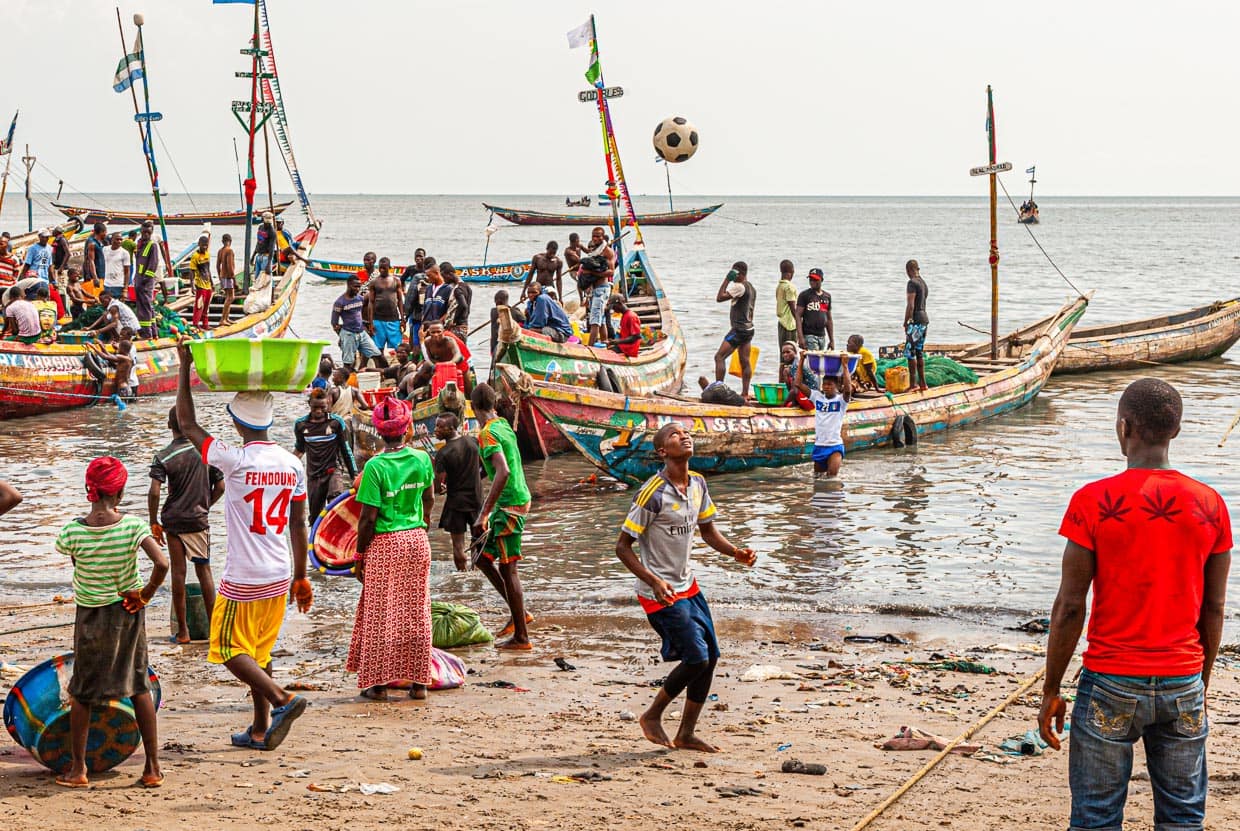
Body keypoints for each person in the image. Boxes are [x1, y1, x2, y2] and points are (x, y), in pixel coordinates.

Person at [1038, 378, 1231, 831]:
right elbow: (1214, 610)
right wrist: (1199, 682)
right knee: (1183, 818)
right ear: (1175, 431)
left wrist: (1051, 688)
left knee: (1096, 818)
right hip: (1182, 678)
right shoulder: (1211, 505)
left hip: (1111, 680)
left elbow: (1069, 606)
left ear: (1124, 426)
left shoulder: (1092, 501)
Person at [174, 344, 313, 751]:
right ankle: (259, 728)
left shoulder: (234, 459)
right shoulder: (292, 463)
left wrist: (185, 366)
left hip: (244, 577)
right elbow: (299, 522)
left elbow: (186, 422)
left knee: (227, 650)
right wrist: (302, 576)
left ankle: (282, 699)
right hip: (280, 571)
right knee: (258, 650)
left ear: (236, 424)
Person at [615, 422, 755, 752]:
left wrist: (735, 551)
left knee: (711, 655)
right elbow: (622, 546)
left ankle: (686, 733)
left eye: (686, 432)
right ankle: (652, 715)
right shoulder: (652, 493)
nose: (684, 436)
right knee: (696, 657)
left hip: (688, 586)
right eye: (675, 435)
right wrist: (653, 579)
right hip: (658, 592)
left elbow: (707, 531)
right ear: (662, 452)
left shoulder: (697, 485)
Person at [54, 456, 168, 788]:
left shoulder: (72, 531)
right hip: (127, 612)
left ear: (88, 491)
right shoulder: (132, 526)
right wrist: (145, 594)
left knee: (83, 692)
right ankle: (152, 768)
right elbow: (161, 564)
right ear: (119, 494)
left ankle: (78, 770)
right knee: (137, 684)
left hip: (90, 616)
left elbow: (77, 563)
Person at [348, 397, 435, 701]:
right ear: (407, 427)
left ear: (378, 431)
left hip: (386, 544)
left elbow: (367, 519)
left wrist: (358, 556)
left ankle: (379, 684)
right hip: (417, 539)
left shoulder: (375, 467)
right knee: (416, 611)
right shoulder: (422, 459)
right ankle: (420, 683)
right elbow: (429, 499)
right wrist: (421, 524)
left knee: (380, 613)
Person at [149, 407, 225, 644]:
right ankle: (214, 631)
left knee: (179, 574)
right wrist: (205, 506)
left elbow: (154, 491)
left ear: (169, 426)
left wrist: (153, 521)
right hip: (198, 521)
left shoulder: (163, 456)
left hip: (172, 521)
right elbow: (221, 486)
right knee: (204, 571)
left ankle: (183, 632)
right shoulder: (205, 453)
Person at [471, 383, 533, 650]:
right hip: (517, 499)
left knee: (508, 569)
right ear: (493, 405)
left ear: (473, 408)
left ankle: (522, 637)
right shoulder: (503, 425)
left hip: (509, 505)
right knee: (482, 558)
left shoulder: (487, 434)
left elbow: (503, 471)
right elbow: (499, 466)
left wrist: (483, 513)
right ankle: (519, 614)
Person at [294, 388, 359, 524]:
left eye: (322, 408)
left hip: (333, 470)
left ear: (328, 404)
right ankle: (315, 543)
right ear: (309, 404)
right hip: (314, 475)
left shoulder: (336, 423)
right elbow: (299, 450)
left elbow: (346, 450)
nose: (318, 411)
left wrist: (355, 476)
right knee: (316, 517)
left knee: (336, 507)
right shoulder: (301, 425)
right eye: (315, 408)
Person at [434, 412, 483, 571]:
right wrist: (475, 479)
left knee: (458, 545)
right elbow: (486, 468)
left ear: (451, 428)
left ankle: (462, 575)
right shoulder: (473, 442)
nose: (436, 430)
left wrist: (442, 486)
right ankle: (476, 574)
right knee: (478, 542)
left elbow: (437, 486)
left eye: (440, 427)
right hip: (477, 500)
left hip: (456, 504)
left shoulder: (443, 453)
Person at [797, 352, 852, 478]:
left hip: (834, 446)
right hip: (819, 446)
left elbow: (848, 389)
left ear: (837, 386)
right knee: (818, 479)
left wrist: (845, 366)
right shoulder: (817, 397)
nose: (826, 387)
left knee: (831, 477)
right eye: (824, 384)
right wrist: (801, 360)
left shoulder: (841, 401)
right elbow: (798, 384)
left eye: (829, 385)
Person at [713, 261, 755, 399]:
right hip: (749, 329)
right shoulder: (751, 288)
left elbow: (719, 298)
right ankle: (745, 393)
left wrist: (727, 279)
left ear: (740, 274)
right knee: (745, 362)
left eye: (734, 274)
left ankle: (719, 390)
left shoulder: (739, 287)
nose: (733, 277)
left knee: (719, 357)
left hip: (738, 330)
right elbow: (751, 310)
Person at [332, 275, 387, 371]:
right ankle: (346, 382)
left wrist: (369, 324)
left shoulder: (360, 299)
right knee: (348, 362)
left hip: (362, 333)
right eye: (355, 286)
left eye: (359, 286)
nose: (357, 289)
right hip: (349, 334)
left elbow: (368, 306)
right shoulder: (340, 302)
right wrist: (342, 337)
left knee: (377, 355)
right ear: (349, 285)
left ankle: (387, 373)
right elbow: (334, 323)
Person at [366, 257, 404, 354]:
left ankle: (402, 367)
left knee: (399, 347)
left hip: (393, 319)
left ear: (389, 267)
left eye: (384, 268)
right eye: (380, 268)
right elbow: (371, 302)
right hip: (378, 319)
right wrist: (371, 322)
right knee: (378, 349)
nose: (382, 270)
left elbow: (400, 300)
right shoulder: (374, 282)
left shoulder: (396, 281)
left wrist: (403, 319)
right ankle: (381, 367)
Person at [903, 259, 930, 393]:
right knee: (919, 352)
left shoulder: (912, 283)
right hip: (924, 319)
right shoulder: (923, 283)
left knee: (910, 352)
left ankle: (913, 384)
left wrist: (906, 321)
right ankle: (923, 383)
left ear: (908, 270)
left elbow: (911, 305)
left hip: (916, 320)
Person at [578, 253, 613, 347]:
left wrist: (591, 273)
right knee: (601, 321)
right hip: (600, 291)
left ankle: (590, 347)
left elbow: (610, 272)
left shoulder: (601, 265)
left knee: (595, 321)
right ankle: (604, 342)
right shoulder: (596, 265)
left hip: (600, 291)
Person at [133, 222, 161, 338]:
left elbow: (153, 265)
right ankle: (154, 333)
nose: (145, 234)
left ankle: (147, 333)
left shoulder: (152, 245)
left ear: (152, 232)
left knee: (144, 307)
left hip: (145, 283)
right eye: (144, 232)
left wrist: (144, 280)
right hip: (139, 280)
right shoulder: (140, 244)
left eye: (148, 232)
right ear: (141, 231)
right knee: (147, 306)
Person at [795, 268, 833, 352]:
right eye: (810, 279)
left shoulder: (827, 296)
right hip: (809, 335)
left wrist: (831, 340)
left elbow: (829, 319)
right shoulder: (805, 295)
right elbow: (798, 316)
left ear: (821, 280)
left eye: (815, 279)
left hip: (822, 336)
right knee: (814, 360)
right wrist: (800, 337)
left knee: (819, 360)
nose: (812, 282)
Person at [400, 248, 428, 347]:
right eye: (416, 256)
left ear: (425, 257)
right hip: (413, 300)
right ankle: (413, 349)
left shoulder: (427, 270)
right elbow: (401, 280)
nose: (418, 258)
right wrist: (404, 292)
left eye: (421, 256)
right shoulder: (411, 269)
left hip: (424, 300)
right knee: (412, 326)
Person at [778, 342, 816, 409]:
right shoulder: (796, 362)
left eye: (788, 352)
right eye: (783, 353)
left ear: (795, 352)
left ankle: (795, 402)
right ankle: (795, 401)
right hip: (812, 397)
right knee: (786, 371)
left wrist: (783, 405)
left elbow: (795, 391)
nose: (785, 355)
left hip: (810, 402)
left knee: (787, 372)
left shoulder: (796, 365)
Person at [441, 262, 472, 340]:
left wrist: (453, 321)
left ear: (450, 274)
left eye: (444, 277)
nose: (444, 280)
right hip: (464, 326)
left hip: (457, 328)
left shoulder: (457, 289)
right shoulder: (467, 287)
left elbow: (463, 306)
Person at [189, 236, 214, 330]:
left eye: (206, 245)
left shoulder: (207, 254)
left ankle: (205, 323)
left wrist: (212, 282)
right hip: (200, 285)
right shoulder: (195, 256)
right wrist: (192, 286)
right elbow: (191, 271)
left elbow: (208, 269)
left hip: (208, 285)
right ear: (199, 244)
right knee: (199, 305)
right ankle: (196, 323)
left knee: (207, 306)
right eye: (203, 245)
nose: (205, 247)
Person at [775, 259, 798, 347]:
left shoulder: (780, 286)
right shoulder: (789, 287)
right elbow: (792, 308)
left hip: (781, 323)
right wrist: (800, 323)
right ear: (792, 271)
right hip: (789, 325)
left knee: (783, 352)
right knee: (791, 352)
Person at [103, 232, 131, 300]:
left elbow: (127, 272)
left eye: (121, 239)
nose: (119, 241)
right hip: (106, 284)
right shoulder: (105, 249)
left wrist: (125, 290)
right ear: (111, 240)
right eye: (117, 239)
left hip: (118, 285)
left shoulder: (125, 253)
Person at [216, 233, 237, 326]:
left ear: (222, 241)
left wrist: (220, 277)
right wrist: (234, 280)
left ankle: (226, 318)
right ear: (230, 241)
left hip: (223, 276)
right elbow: (230, 267)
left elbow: (217, 266)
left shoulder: (220, 251)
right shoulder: (229, 251)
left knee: (228, 297)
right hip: (228, 277)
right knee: (230, 297)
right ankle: (223, 319)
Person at [82, 223, 108, 292]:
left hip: (101, 274)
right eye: (105, 232)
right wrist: (95, 277)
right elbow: (91, 261)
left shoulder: (100, 242)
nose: (106, 234)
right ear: (101, 232)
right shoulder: (92, 243)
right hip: (95, 276)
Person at [253, 212, 276, 282]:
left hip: (266, 258)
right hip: (259, 256)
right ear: (263, 219)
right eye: (266, 222)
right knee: (257, 278)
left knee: (266, 279)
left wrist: (269, 264)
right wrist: (253, 256)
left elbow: (272, 248)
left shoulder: (272, 232)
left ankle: (271, 291)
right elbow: (259, 243)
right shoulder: (260, 227)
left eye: (269, 222)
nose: (268, 224)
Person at [52, 227, 71, 291]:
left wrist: (61, 267)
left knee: (62, 289)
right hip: (56, 267)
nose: (52, 232)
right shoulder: (56, 240)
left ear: (57, 232)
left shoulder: (62, 240)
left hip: (62, 269)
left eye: (54, 231)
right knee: (58, 288)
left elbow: (68, 254)